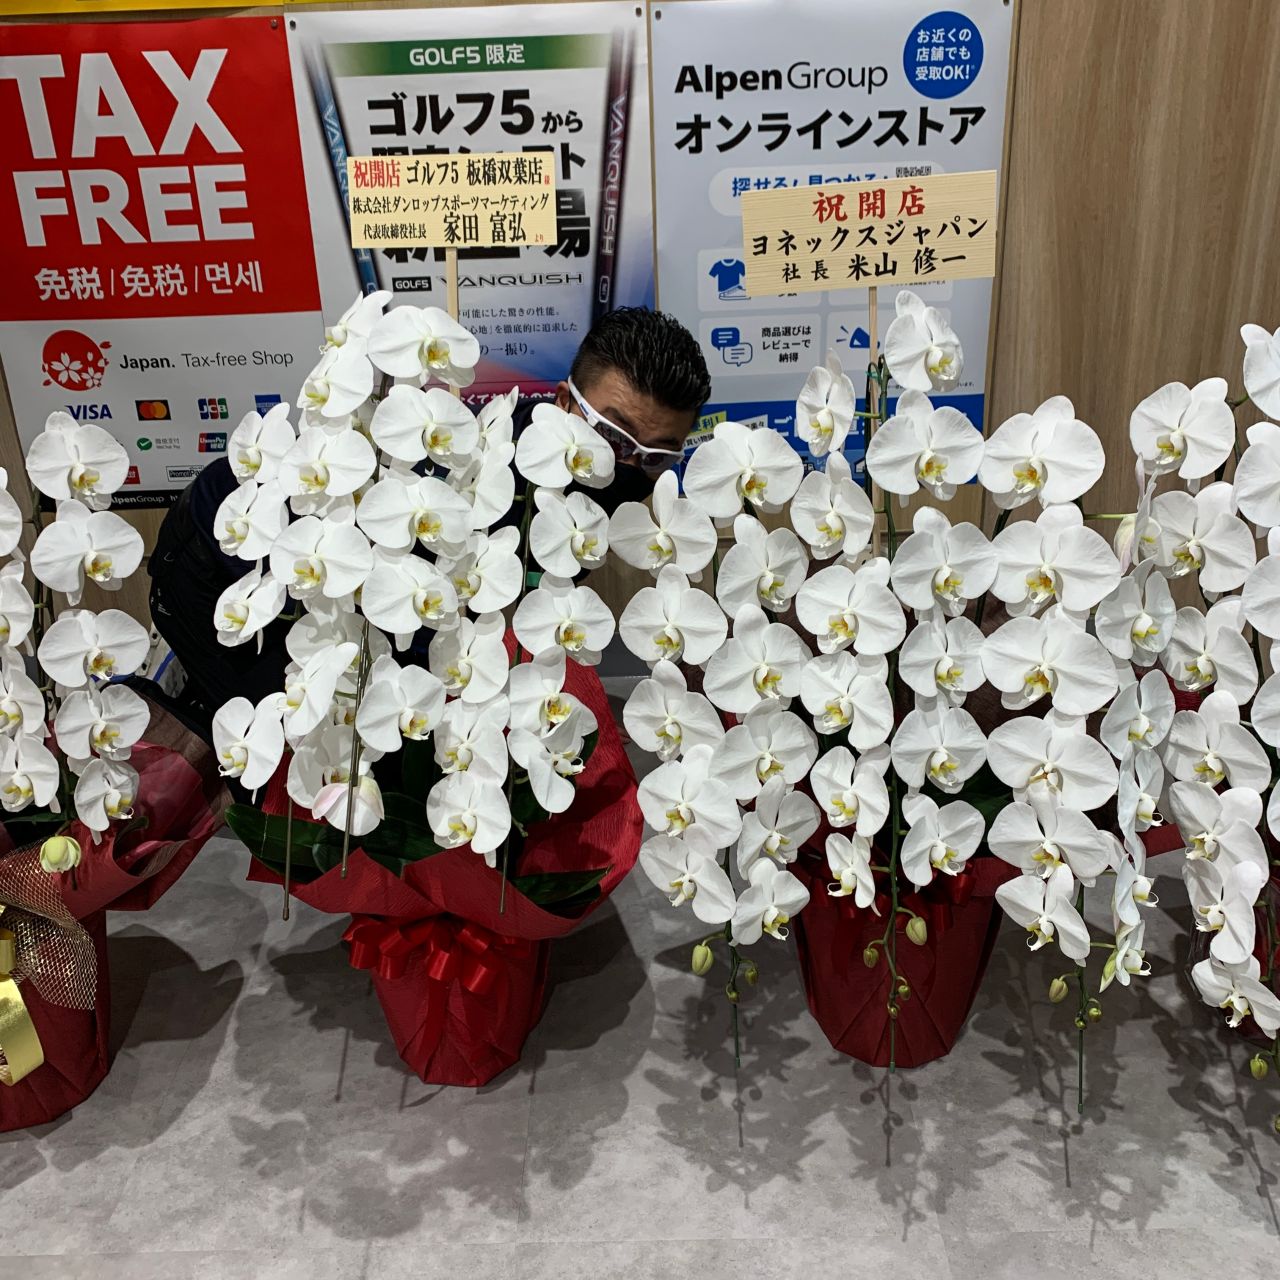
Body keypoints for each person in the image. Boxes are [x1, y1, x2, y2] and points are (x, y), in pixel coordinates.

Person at [148, 306, 711, 727]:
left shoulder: (591, 499)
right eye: (612, 435)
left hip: (338, 598)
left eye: (656, 455)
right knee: (289, 743)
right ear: (564, 402)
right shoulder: (478, 475)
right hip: (217, 554)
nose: (627, 463)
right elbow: (409, 624)